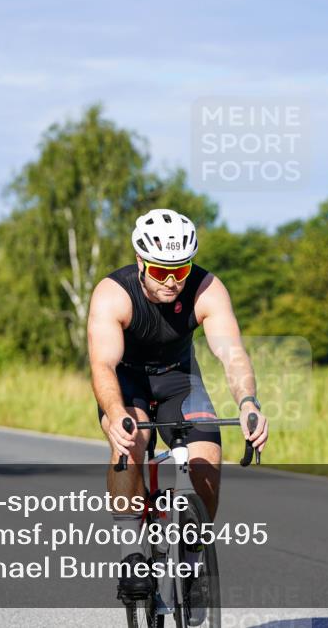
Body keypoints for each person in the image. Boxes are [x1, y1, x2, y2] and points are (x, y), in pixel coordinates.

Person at [87, 208, 269, 604]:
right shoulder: (113, 293)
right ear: (140, 261)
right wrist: (116, 414)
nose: (171, 281)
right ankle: (131, 552)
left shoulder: (206, 288)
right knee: (130, 440)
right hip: (127, 382)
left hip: (178, 381)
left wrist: (248, 402)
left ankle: (192, 557)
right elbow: (103, 364)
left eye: (180, 270)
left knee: (207, 451)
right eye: (159, 271)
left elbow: (232, 353)